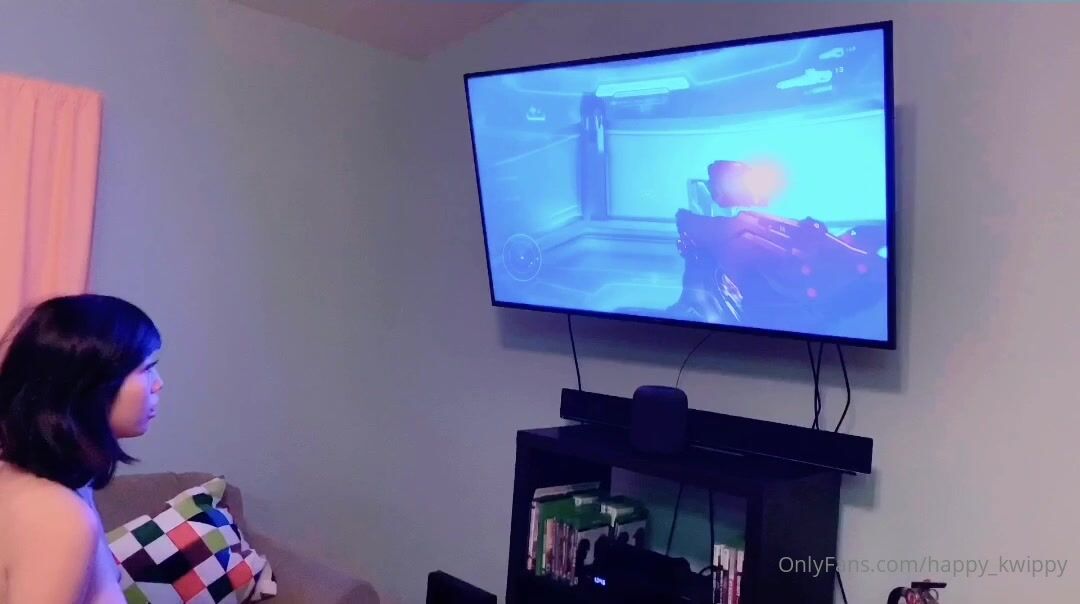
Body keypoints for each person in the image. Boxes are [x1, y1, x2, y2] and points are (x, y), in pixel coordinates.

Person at [0, 294, 164, 603]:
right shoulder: (57, 514)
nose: (158, 384)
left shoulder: (58, 485)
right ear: (90, 385)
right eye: (147, 369)